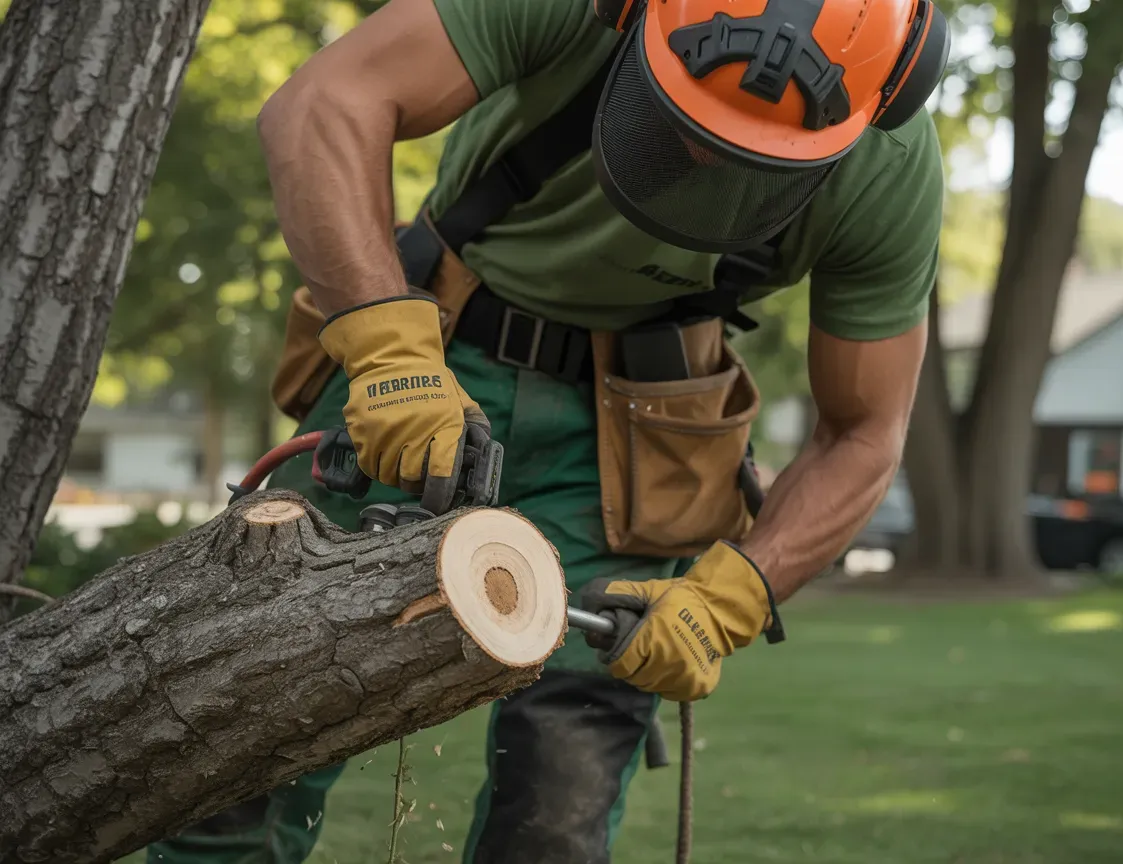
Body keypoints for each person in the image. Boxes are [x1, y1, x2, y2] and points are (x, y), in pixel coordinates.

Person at [146, 0, 947, 861]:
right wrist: (387, 350)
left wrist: (733, 598)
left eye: (749, 147)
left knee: (557, 802)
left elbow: (864, 430)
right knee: (251, 720)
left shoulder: (889, 166)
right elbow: (323, 104)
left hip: (647, 438)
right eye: (693, 120)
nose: (708, 154)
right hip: (433, 357)